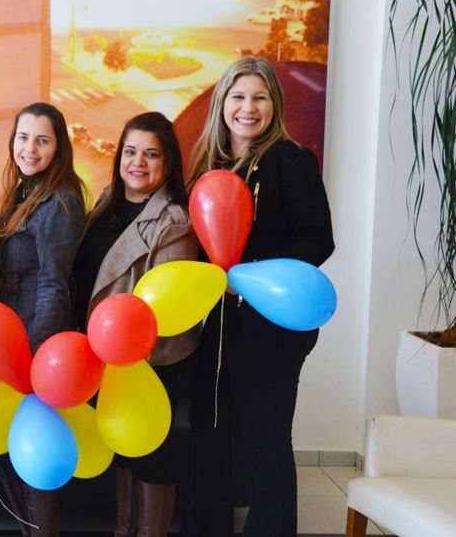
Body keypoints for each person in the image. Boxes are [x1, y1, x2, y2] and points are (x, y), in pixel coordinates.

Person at [182, 57, 334, 537]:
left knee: (266, 443)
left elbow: (317, 240)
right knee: (210, 436)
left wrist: (251, 276)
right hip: (222, 325)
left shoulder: (291, 160)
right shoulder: (213, 166)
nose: (249, 108)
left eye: (260, 97)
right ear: (222, 104)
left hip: (273, 328)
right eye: (239, 97)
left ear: (275, 104)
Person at [73, 112, 198, 537]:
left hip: (152, 361)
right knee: (125, 451)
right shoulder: (107, 202)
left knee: (150, 457)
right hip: (106, 357)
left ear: (168, 163)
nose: (137, 162)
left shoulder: (173, 221)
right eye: (130, 152)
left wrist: (123, 349)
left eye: (151, 154)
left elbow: (162, 308)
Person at [0, 102, 87, 537]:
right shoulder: (24, 191)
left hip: (33, 335)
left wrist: (35, 360)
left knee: (34, 450)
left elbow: (54, 284)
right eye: (23, 138)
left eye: (42, 140)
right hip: (6, 330)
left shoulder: (60, 200)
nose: (30, 148)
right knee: (4, 446)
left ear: (58, 147)